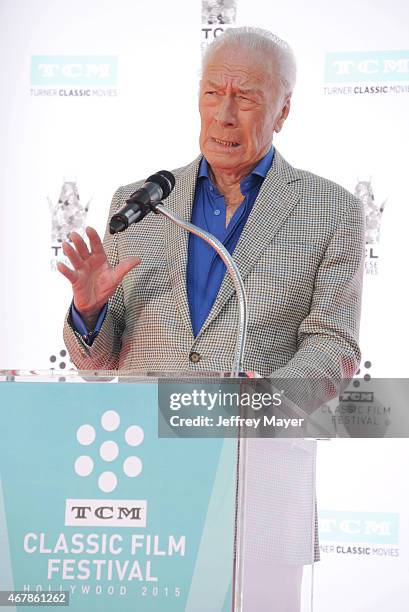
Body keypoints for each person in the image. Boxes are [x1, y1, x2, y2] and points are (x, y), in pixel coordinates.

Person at [59, 27, 364, 610]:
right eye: (211, 94)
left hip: (263, 480)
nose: (223, 114)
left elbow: (334, 344)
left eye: (245, 97)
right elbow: (99, 364)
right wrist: (89, 312)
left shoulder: (332, 211)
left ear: (284, 109)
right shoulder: (141, 203)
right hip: (146, 475)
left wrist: (265, 403)